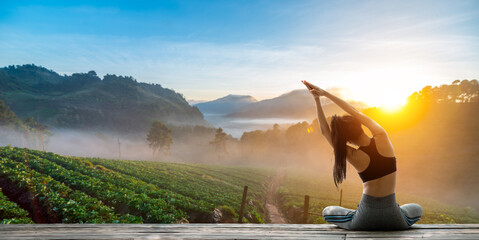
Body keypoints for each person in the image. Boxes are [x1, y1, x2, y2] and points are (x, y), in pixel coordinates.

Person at [301, 80, 423, 230]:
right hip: (394, 219)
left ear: (349, 140)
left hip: (364, 219)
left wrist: (317, 99)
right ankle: (374, 215)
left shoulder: (352, 154)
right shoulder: (381, 136)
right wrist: (325, 93)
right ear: (359, 125)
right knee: (417, 208)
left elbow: (325, 132)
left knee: (328, 211)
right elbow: (355, 112)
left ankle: (355, 215)